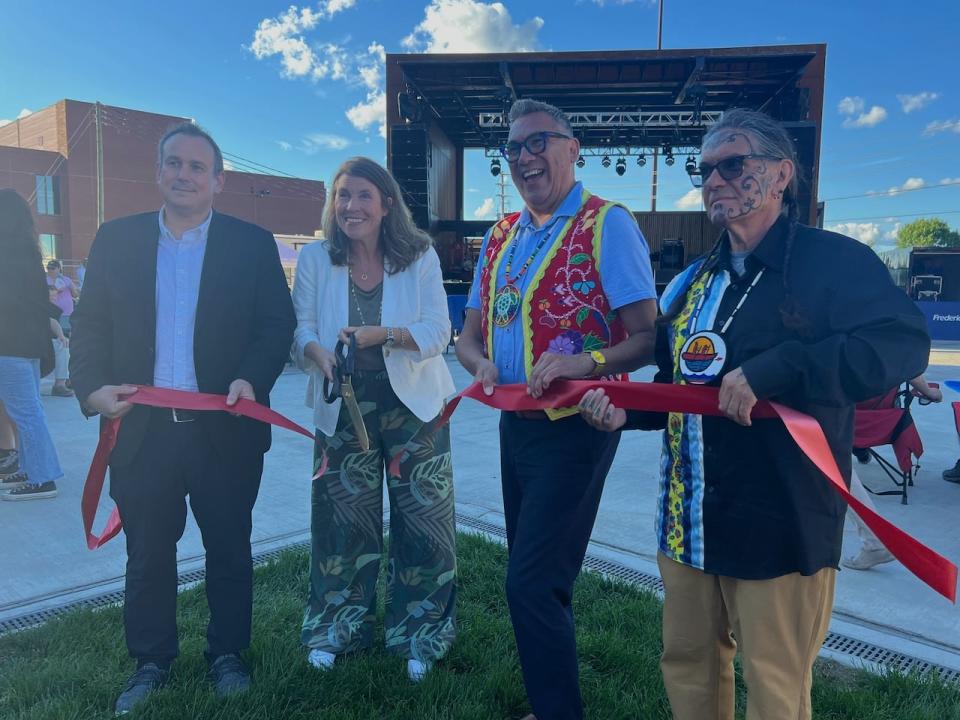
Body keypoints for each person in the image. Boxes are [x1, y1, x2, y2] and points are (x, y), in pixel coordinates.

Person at [577, 109, 930, 720]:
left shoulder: (833, 263)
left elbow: (901, 346)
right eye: (705, 168)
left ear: (781, 174)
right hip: (690, 521)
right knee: (688, 669)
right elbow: (675, 387)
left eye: (733, 164)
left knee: (775, 687)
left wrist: (782, 367)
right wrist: (623, 414)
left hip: (782, 521)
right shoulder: (693, 281)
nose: (714, 180)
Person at [69, 122, 296, 714]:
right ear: (159, 172)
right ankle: (150, 660)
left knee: (228, 546)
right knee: (147, 551)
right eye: (174, 163)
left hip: (225, 428)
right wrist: (90, 389)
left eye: (198, 166)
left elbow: (276, 325)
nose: (184, 174)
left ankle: (227, 654)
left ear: (218, 181)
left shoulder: (251, 243)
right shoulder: (116, 240)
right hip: (139, 431)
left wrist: (253, 377)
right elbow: (88, 324)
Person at [456, 99, 657, 720]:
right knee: (540, 574)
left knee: (528, 582)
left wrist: (586, 363)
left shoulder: (606, 224)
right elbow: (467, 336)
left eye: (539, 142)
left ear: (574, 149)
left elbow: (648, 336)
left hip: (578, 427)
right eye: (514, 149)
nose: (525, 157)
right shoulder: (498, 236)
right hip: (513, 425)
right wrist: (477, 363)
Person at [292, 157, 457, 682]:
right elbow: (299, 331)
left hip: (414, 408)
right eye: (342, 195)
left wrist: (382, 335)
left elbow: (437, 331)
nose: (351, 206)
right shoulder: (318, 258)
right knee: (342, 521)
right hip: (341, 404)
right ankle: (337, 627)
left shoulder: (419, 255)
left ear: (387, 204)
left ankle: (421, 633)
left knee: (424, 523)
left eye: (363, 195)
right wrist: (316, 353)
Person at [0, 189, 65, 500]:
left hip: (9, 344)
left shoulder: (5, 256)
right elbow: (39, 302)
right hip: (28, 345)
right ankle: (33, 469)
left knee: (25, 412)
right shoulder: (29, 254)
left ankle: (42, 478)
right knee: (28, 410)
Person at [845, 375, 942, 570]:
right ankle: (874, 541)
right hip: (884, 421)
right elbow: (917, 377)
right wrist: (932, 393)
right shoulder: (896, 350)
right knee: (832, 467)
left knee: (831, 466)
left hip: (845, 418)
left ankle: (874, 541)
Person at [45, 259, 76, 396]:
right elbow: (51, 321)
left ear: (59, 269)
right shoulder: (44, 281)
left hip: (66, 316)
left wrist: (61, 336)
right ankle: (59, 384)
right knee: (62, 344)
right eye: (49, 268)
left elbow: (75, 293)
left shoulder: (66, 280)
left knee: (66, 344)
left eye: (53, 268)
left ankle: (67, 379)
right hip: (40, 338)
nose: (51, 270)